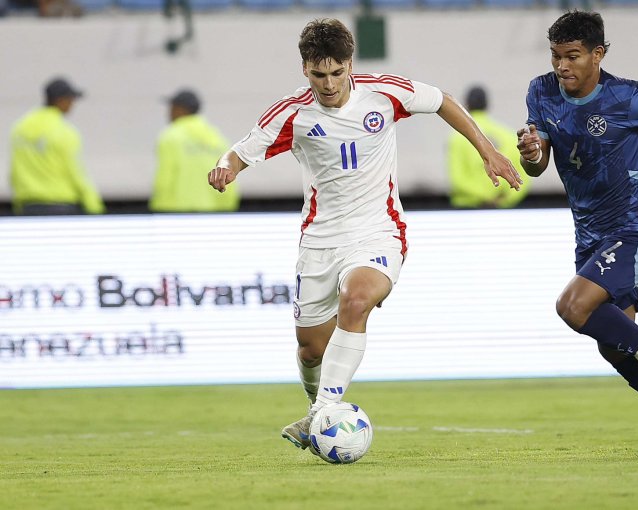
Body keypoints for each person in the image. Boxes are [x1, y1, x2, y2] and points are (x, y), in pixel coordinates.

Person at [207, 18, 522, 453]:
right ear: (305, 70)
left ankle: (321, 417)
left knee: (355, 302)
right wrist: (226, 168)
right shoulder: (293, 115)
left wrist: (488, 151)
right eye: (319, 75)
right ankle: (317, 405)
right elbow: (241, 151)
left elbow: (443, 101)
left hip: (378, 231)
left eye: (337, 72)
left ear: (349, 64)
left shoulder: (383, 92)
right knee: (310, 350)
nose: (330, 84)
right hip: (320, 241)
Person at [517, 11, 638, 450]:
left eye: (572, 57)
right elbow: (537, 167)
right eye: (555, 57)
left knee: (572, 306)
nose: (561, 67)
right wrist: (531, 151)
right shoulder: (542, 92)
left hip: (637, 226)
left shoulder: (628, 97)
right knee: (613, 347)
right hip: (590, 236)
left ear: (597, 54)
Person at [9, 77, 105, 216]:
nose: (72, 104)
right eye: (71, 99)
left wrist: (18, 204)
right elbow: (75, 172)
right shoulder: (64, 131)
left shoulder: (19, 128)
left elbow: (15, 171)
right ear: (60, 100)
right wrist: (94, 206)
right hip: (61, 206)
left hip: (27, 206)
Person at [150, 89, 238, 213]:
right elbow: (230, 178)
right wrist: (227, 208)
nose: (169, 113)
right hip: (215, 212)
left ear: (181, 109)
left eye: (172, 108)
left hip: (176, 211)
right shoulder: (218, 139)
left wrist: (159, 209)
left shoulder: (171, 136)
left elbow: (165, 178)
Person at [446, 85, 530, 208]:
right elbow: (523, 177)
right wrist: (503, 200)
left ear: (466, 105)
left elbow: (457, 179)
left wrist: (484, 197)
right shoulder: (508, 134)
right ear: (487, 105)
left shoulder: (457, 137)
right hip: (501, 209)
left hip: (467, 210)